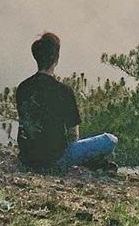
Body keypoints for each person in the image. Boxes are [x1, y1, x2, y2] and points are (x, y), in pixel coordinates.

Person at [15, 31, 118, 172]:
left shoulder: (23, 88)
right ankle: (94, 164)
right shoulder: (63, 91)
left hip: (27, 158)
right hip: (55, 159)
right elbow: (73, 134)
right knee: (110, 139)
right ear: (56, 59)